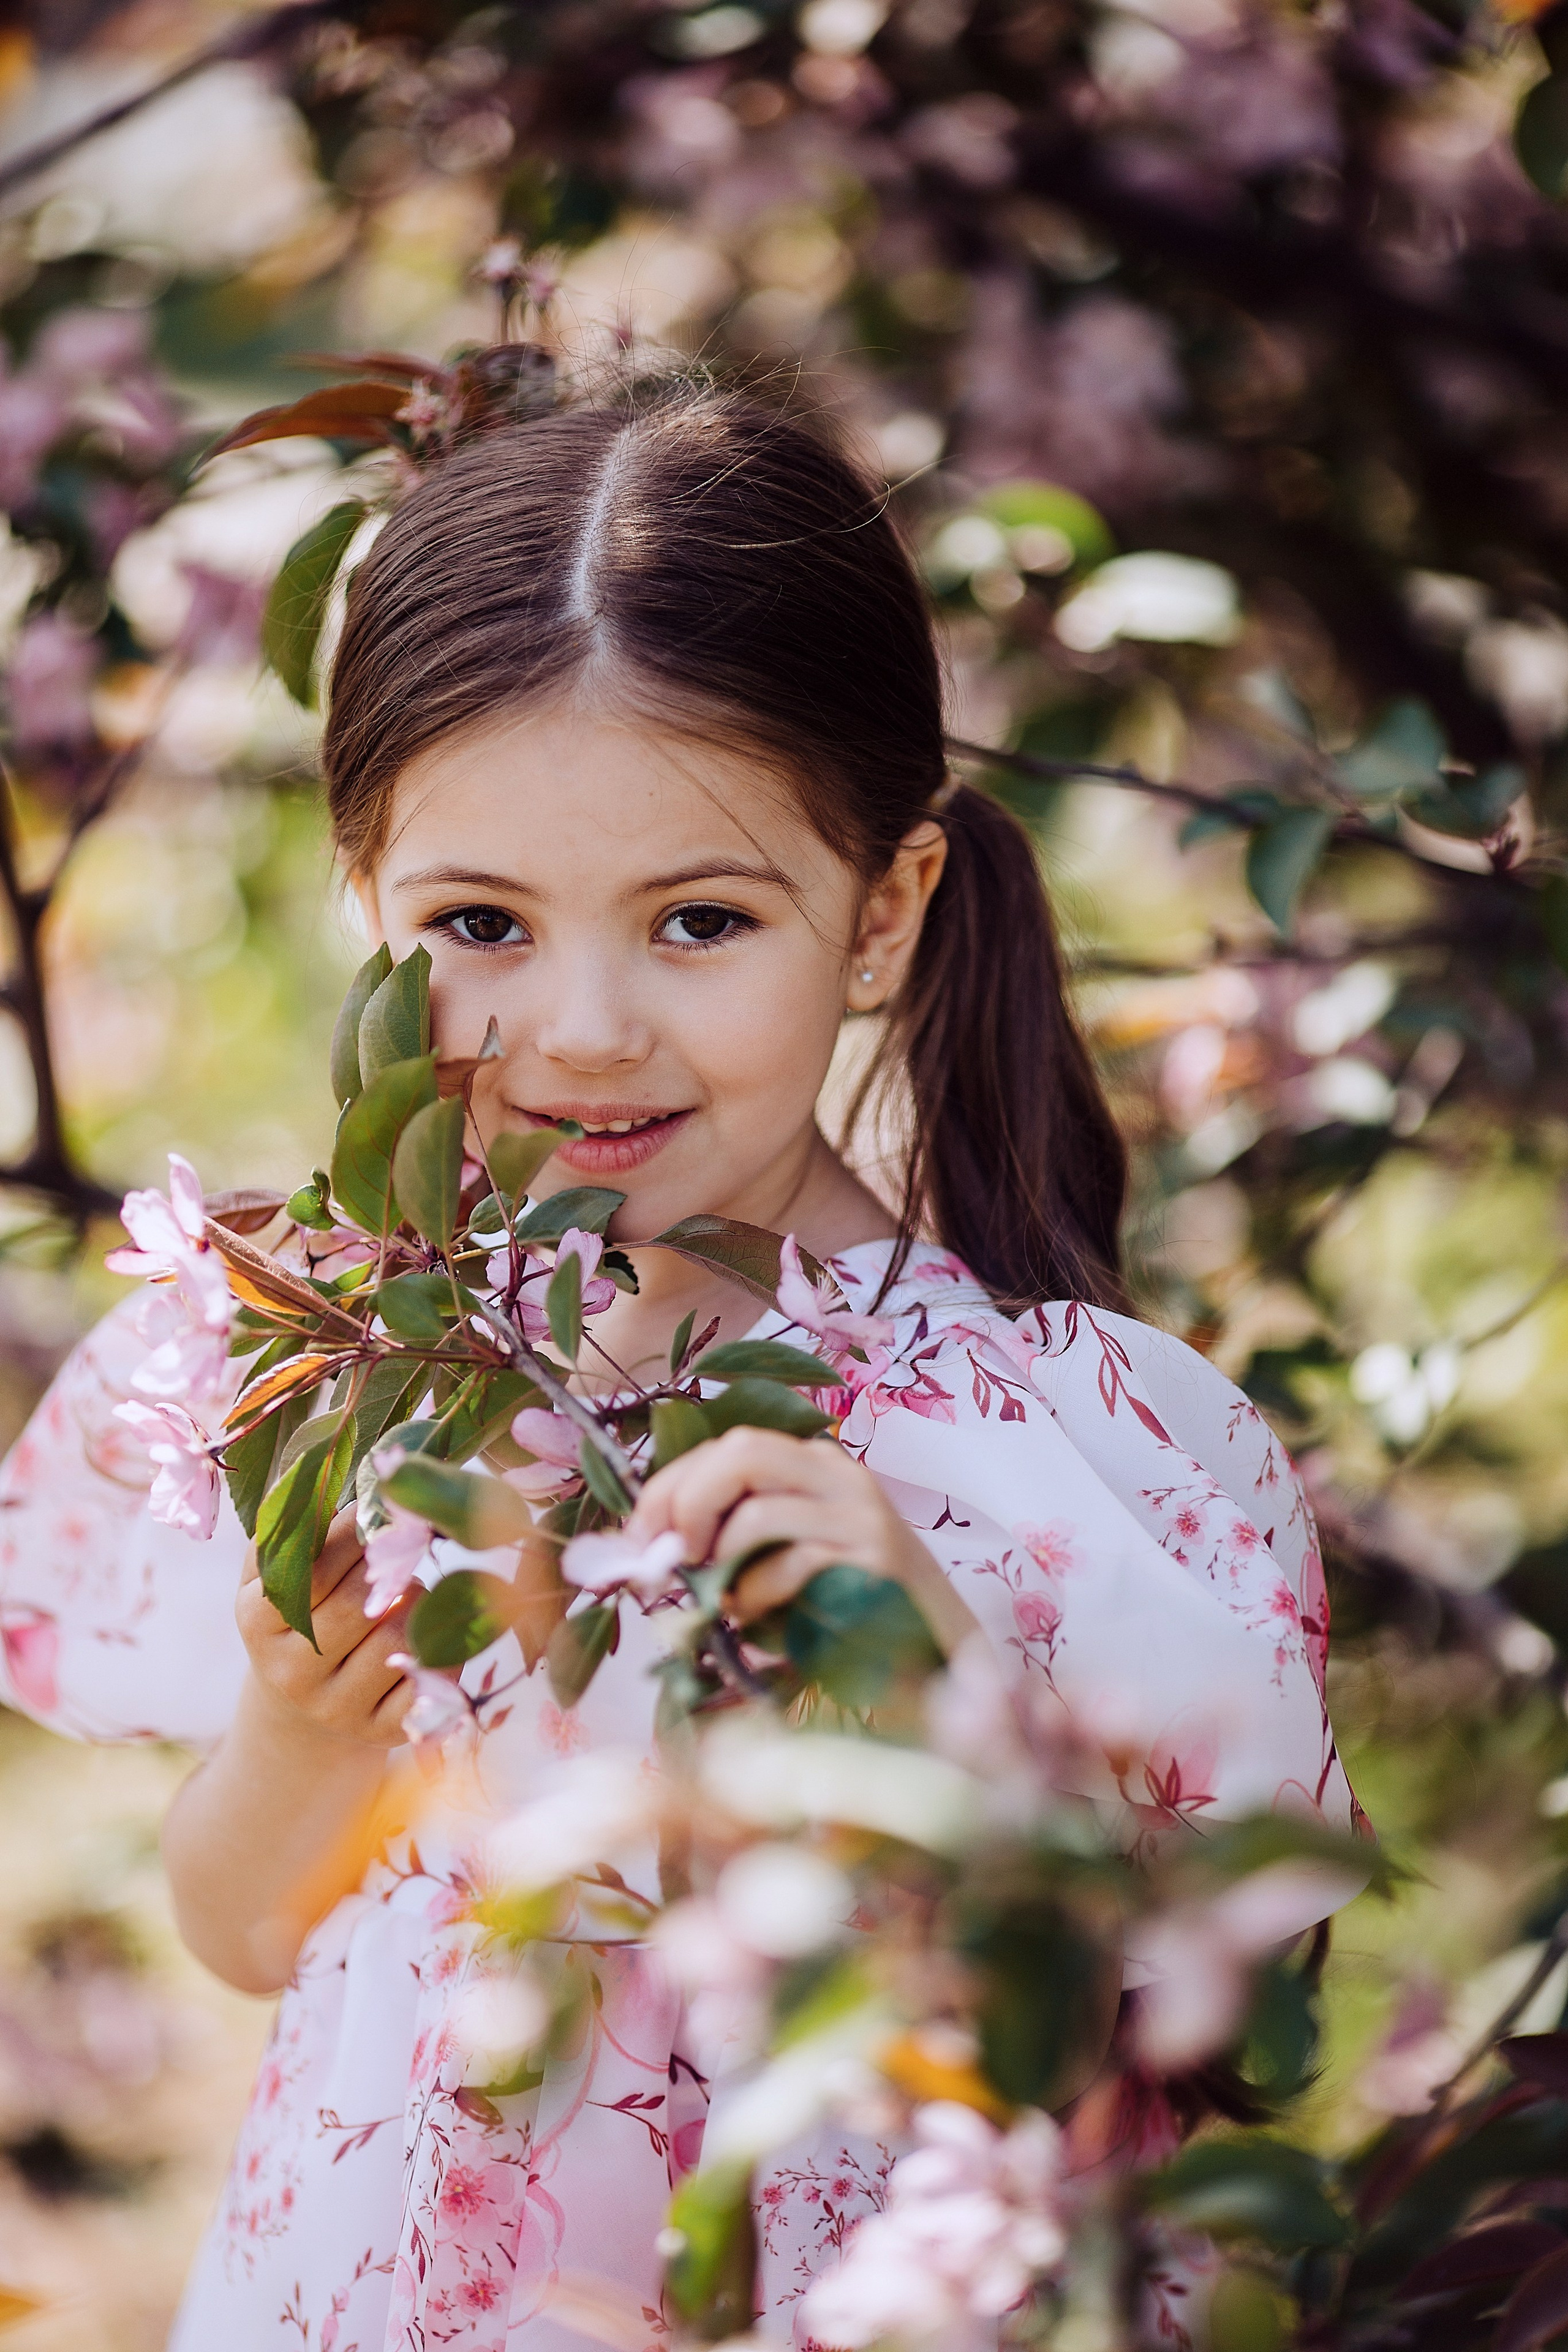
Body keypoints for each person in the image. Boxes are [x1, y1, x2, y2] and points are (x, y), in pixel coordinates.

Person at [0, 374, 1352, 2351]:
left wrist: (950, 1719)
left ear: (882, 916)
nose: (585, 1030)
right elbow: (245, 1931)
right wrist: (304, 1733)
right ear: (365, 895)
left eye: (703, 920)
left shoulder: (1071, 1464)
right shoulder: (320, 1368)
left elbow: (1217, 2047)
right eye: (481, 922)